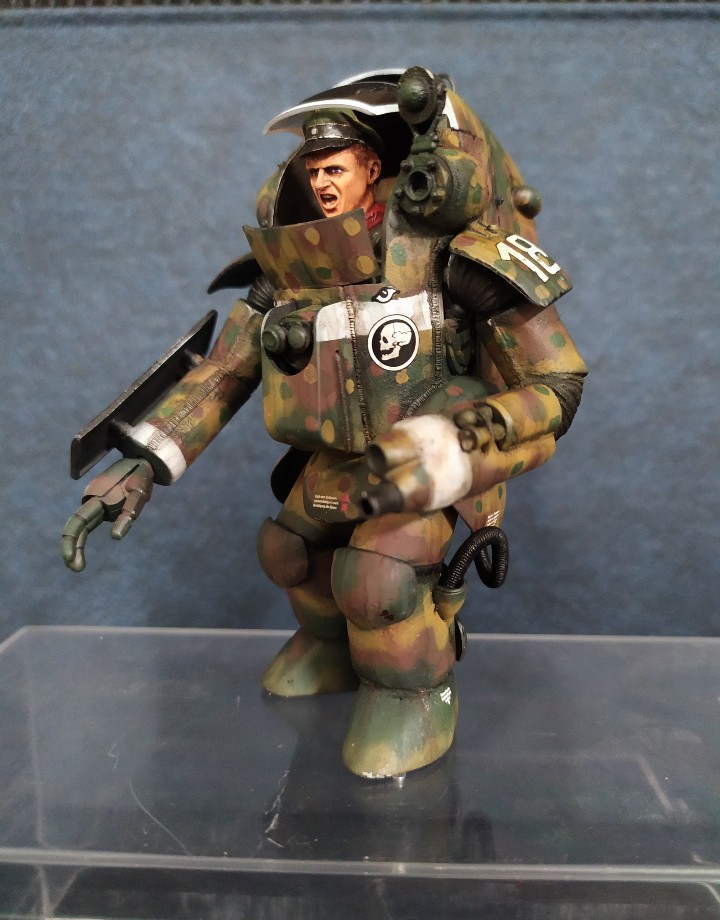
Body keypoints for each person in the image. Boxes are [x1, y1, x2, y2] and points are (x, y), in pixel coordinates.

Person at [63, 69, 586, 779]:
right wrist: (141, 463)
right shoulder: (292, 267)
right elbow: (224, 371)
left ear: (373, 168)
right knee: (289, 552)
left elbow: (557, 383)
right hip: (338, 457)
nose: (322, 183)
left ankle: (412, 690)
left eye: (335, 167)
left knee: (377, 580)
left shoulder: (452, 258)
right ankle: (332, 647)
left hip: (427, 463)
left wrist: (463, 437)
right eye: (312, 170)